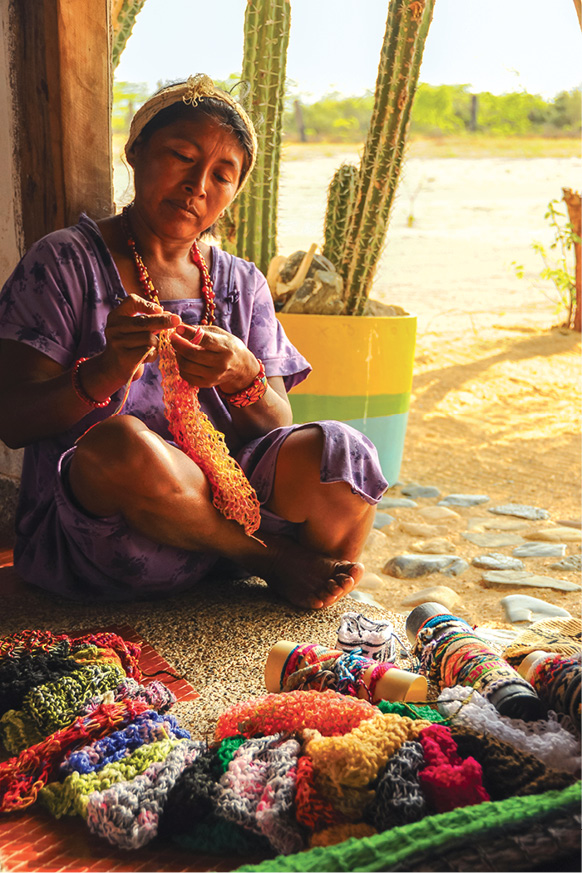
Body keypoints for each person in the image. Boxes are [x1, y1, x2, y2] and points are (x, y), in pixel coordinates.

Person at [0, 74, 388, 609]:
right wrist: (105, 370)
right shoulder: (65, 263)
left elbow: (277, 426)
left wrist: (244, 377)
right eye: (181, 155)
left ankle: (316, 598)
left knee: (343, 451)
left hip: (230, 501)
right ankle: (271, 560)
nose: (197, 184)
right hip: (111, 526)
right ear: (135, 153)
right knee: (121, 443)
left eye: (222, 175)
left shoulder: (240, 282)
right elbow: (12, 420)